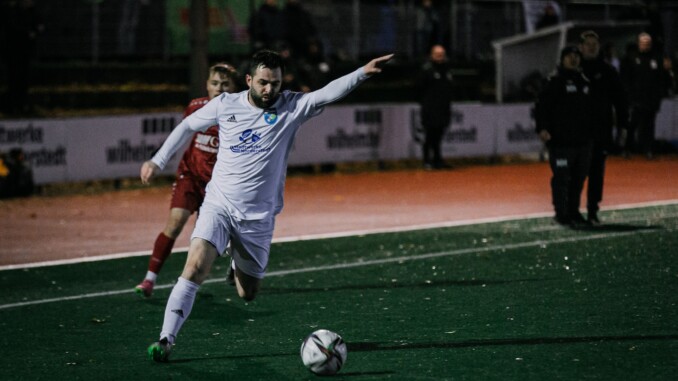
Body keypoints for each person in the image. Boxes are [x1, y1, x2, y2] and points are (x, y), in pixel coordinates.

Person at [141, 50, 393, 362]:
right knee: (193, 268)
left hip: (257, 220)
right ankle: (166, 340)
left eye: (274, 83)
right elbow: (186, 127)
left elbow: (327, 93)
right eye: (262, 82)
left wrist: (362, 72)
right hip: (218, 206)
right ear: (248, 80)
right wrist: (158, 160)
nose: (268, 90)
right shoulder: (225, 104)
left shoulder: (292, 106)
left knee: (248, 294)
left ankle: (236, 263)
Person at [134, 63, 240, 297]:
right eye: (214, 83)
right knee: (175, 222)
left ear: (234, 87)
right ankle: (149, 279)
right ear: (207, 85)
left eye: (225, 84)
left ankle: (228, 266)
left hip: (218, 186)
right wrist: (156, 161)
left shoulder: (241, 113)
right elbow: (181, 132)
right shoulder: (196, 107)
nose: (219, 89)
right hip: (190, 176)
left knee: (206, 240)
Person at [535, 46, 594, 228]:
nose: (574, 59)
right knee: (561, 178)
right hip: (561, 142)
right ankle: (561, 214)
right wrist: (542, 128)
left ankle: (573, 211)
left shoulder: (584, 81)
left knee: (578, 178)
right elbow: (541, 107)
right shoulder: (554, 81)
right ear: (562, 59)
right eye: (570, 56)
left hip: (582, 141)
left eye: (576, 56)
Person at [578, 30, 629, 225]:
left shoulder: (608, 71)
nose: (591, 47)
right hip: (578, 132)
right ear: (581, 47)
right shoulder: (574, 69)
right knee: (575, 173)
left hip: (600, 131)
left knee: (596, 173)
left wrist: (623, 126)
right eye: (588, 43)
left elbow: (621, 100)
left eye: (594, 44)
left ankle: (592, 210)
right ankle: (571, 210)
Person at [620, 32, 672, 159]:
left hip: (652, 98)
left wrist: (667, 71)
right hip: (635, 98)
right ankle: (627, 149)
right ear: (638, 43)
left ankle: (648, 150)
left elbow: (663, 79)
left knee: (649, 125)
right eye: (643, 43)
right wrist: (628, 95)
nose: (645, 45)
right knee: (632, 125)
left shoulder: (657, 58)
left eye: (647, 43)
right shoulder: (630, 58)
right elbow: (625, 78)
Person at [418, 44, 453, 170]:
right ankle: (427, 161)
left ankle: (438, 160)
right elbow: (420, 89)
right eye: (438, 55)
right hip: (430, 109)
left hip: (443, 108)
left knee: (439, 135)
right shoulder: (427, 70)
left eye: (442, 55)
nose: (440, 57)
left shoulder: (446, 69)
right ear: (432, 55)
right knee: (429, 135)